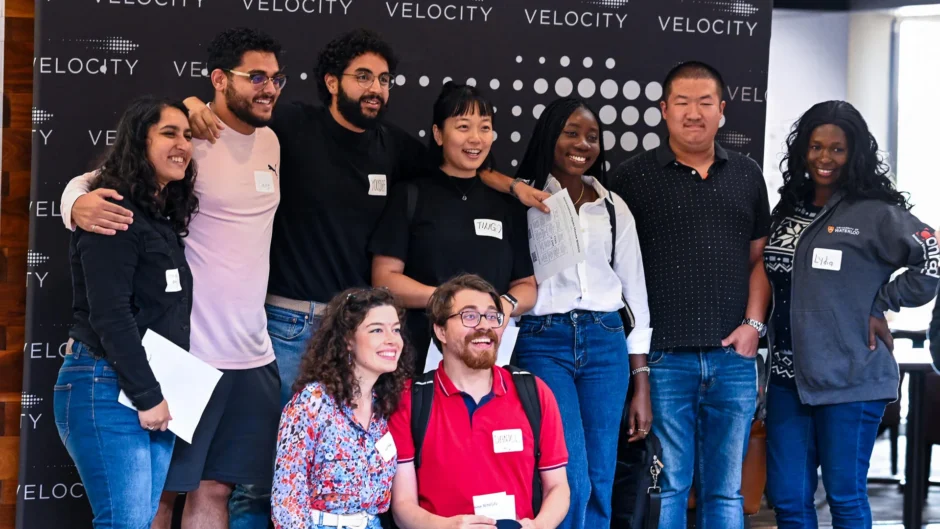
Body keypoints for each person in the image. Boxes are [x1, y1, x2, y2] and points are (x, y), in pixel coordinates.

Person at [60, 28, 285, 529]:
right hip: (186, 358)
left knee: (216, 492)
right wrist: (73, 203)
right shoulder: (190, 136)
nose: (268, 88)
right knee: (155, 501)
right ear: (221, 80)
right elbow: (101, 182)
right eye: (256, 77)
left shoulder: (271, 140)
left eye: (276, 78)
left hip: (253, 354)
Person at [608, 61, 771, 529]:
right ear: (663, 110)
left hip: (733, 359)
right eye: (682, 102)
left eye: (705, 102)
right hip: (664, 360)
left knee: (726, 491)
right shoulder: (631, 179)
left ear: (722, 110)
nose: (693, 113)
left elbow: (757, 260)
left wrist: (753, 328)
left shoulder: (746, 174)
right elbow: (619, 273)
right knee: (670, 485)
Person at [762, 100, 939, 528]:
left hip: (851, 378)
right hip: (789, 380)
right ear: (803, 150)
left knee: (843, 497)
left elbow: (932, 252)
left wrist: (884, 301)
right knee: (788, 500)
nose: (825, 158)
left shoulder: (874, 212)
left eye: (837, 149)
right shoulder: (790, 208)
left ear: (854, 153)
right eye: (816, 146)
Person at [54, 96, 197, 528]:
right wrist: (148, 395)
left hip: (145, 388)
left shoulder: (160, 216)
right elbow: (111, 314)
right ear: (139, 141)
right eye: (169, 133)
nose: (183, 145)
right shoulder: (111, 212)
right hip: (107, 386)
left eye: (188, 135)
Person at [511, 97, 652, 529]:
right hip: (542, 340)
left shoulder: (612, 206)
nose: (582, 144)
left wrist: (641, 381)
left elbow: (636, 296)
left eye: (592, 136)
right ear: (549, 136)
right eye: (571, 132)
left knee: (600, 474)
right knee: (566, 471)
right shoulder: (523, 199)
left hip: (606, 341)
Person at [370, 82, 536, 368]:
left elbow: (527, 286)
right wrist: (448, 301)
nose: (476, 139)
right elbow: (385, 278)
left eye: (484, 128)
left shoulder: (506, 204)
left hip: (491, 358)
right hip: (420, 355)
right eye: (463, 127)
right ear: (438, 134)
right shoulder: (411, 195)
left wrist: (503, 306)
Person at [388, 274, 570, 529]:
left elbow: (558, 487)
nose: (484, 326)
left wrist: (539, 526)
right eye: (469, 316)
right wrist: (450, 527)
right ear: (440, 330)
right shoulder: (410, 399)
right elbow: (402, 506)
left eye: (492, 316)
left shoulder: (534, 392)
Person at [272, 287, 413, 529]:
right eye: (377, 329)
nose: (392, 339)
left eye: (396, 329)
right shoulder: (312, 402)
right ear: (347, 340)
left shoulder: (385, 406)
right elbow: (288, 501)